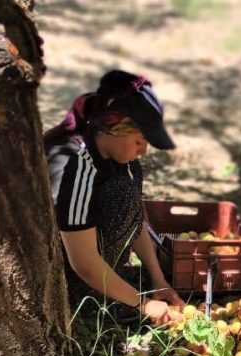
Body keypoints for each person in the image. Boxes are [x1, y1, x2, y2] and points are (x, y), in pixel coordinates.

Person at [44, 69, 183, 324]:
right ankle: (86, 307)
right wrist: (142, 303)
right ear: (113, 128)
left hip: (105, 274)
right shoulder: (75, 168)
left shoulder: (124, 159)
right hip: (69, 282)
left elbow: (135, 219)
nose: (144, 151)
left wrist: (158, 280)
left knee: (126, 188)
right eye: (140, 141)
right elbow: (84, 262)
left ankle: (109, 292)